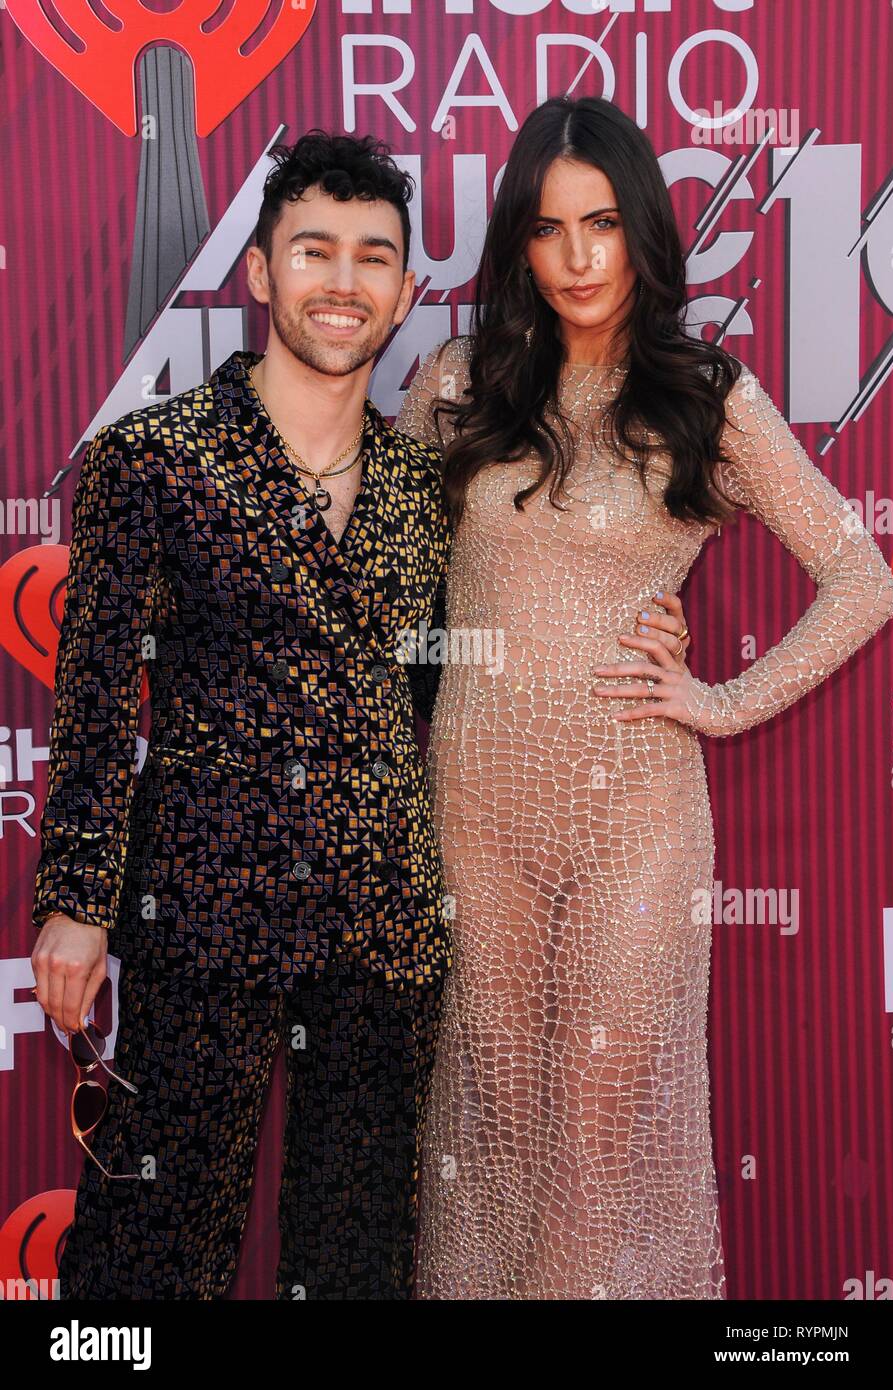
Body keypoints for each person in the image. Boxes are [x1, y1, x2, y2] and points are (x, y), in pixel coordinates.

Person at [394, 95, 893, 1299]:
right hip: (473, 805)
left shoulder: (703, 393)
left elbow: (858, 576)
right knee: (495, 1118)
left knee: (596, 1126)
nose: (576, 259)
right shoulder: (458, 383)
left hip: (636, 809)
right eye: (549, 227)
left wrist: (718, 699)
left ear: (642, 235)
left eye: (603, 224)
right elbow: (388, 587)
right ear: (517, 240)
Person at [30, 130, 454, 1300]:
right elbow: (102, 698)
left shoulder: (426, 489)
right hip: (201, 908)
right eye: (313, 250)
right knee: (146, 1253)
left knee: (357, 1256)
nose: (343, 281)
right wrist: (77, 901)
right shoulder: (150, 461)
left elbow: (437, 689)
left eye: (373, 258)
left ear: (405, 292)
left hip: (381, 920)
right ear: (260, 272)